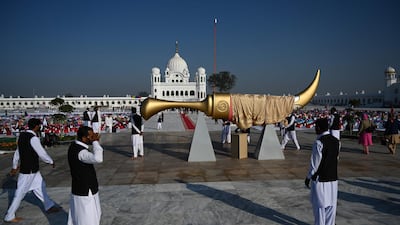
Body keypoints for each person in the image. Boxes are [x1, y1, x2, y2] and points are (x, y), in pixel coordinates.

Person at [4, 118, 61, 223]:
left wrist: (14, 165)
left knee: (40, 186)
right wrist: (50, 161)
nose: (40, 127)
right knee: (20, 193)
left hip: (32, 170)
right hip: (29, 170)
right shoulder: (33, 138)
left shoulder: (22, 136)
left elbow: (17, 152)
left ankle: (49, 206)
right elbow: (41, 153)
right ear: (36, 126)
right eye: (39, 126)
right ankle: (9, 216)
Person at [305, 118, 340, 225]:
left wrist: (308, 177)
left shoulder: (319, 142)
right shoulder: (336, 141)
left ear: (319, 128)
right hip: (333, 178)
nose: (315, 129)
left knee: (319, 207)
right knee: (331, 206)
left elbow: (315, 164)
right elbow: (336, 158)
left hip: (321, 179)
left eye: (316, 127)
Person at [67, 126, 103, 225]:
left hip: (82, 188)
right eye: (91, 136)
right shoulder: (82, 152)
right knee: (87, 219)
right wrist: (95, 142)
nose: (93, 137)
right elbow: (98, 158)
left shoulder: (74, 146)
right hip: (85, 190)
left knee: (92, 215)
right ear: (84, 138)